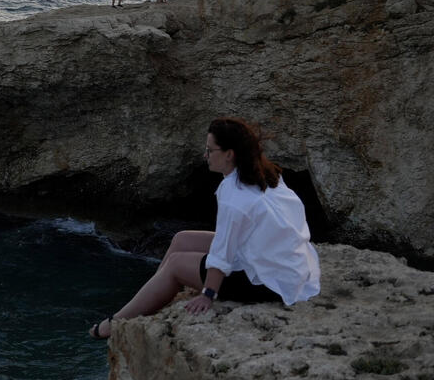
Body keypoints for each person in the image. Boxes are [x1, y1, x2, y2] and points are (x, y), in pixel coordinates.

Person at [89, 117, 321, 340]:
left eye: (210, 150)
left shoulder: (234, 194)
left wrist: (208, 294)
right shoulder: (267, 174)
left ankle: (117, 322)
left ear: (229, 154)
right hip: (288, 267)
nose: (205, 155)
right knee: (182, 239)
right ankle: (151, 295)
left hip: (267, 283)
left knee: (175, 264)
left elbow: (222, 253)